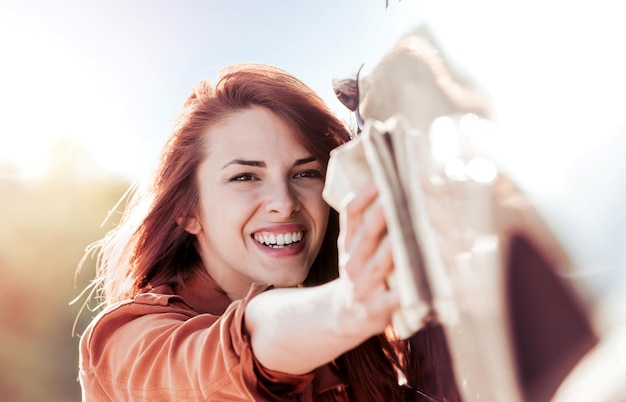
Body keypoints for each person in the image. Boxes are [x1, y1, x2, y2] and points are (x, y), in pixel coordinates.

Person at [77, 63, 435, 401]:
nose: (284, 202)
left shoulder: (355, 356)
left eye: (305, 173)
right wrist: (350, 305)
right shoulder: (126, 344)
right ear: (187, 211)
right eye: (245, 177)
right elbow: (244, 344)